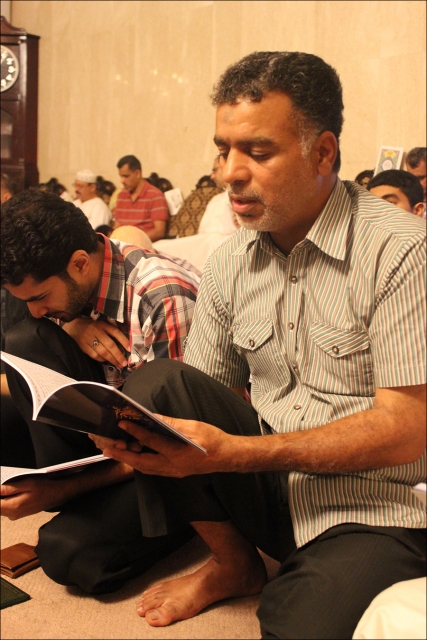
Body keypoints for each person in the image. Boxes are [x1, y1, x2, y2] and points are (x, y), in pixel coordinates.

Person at [92, 51, 426, 639]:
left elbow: (406, 430)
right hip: (266, 487)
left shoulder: (400, 250)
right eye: (223, 150)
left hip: (373, 506)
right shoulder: (230, 263)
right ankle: (234, 563)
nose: (229, 173)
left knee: (298, 624)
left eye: (258, 152)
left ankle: (309, 572)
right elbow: (196, 400)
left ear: (322, 153)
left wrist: (236, 454)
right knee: (151, 395)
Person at [0, 189, 200, 595]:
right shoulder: (74, 280)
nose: (35, 310)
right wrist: (69, 322)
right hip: (112, 426)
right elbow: (41, 319)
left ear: (80, 263)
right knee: (25, 338)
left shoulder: (164, 298)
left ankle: (191, 528)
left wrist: (61, 488)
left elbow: (177, 446)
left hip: (175, 459)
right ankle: (76, 492)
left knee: (67, 553)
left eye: (41, 298)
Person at [153, 158, 239, 271]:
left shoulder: (239, 197)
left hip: (223, 245)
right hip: (204, 244)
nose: (212, 176)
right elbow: (202, 232)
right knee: (159, 247)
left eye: (215, 170)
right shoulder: (215, 199)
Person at [113, 155, 169, 241]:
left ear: (137, 174)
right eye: (121, 176)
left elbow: (159, 231)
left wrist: (134, 241)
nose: (122, 181)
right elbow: (117, 227)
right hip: (122, 243)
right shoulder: (121, 195)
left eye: (126, 176)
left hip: (143, 244)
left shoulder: (155, 195)